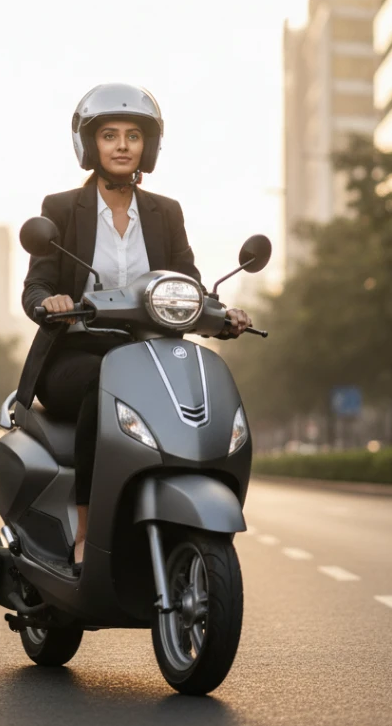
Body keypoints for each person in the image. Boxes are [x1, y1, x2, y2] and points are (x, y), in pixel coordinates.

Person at [16, 83, 252, 568]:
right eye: (109, 135)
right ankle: (85, 528)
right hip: (79, 354)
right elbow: (36, 287)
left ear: (149, 146)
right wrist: (51, 302)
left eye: (133, 136)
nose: (122, 145)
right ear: (90, 145)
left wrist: (221, 315)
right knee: (102, 389)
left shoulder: (166, 212)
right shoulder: (61, 208)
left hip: (152, 355)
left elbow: (188, 285)